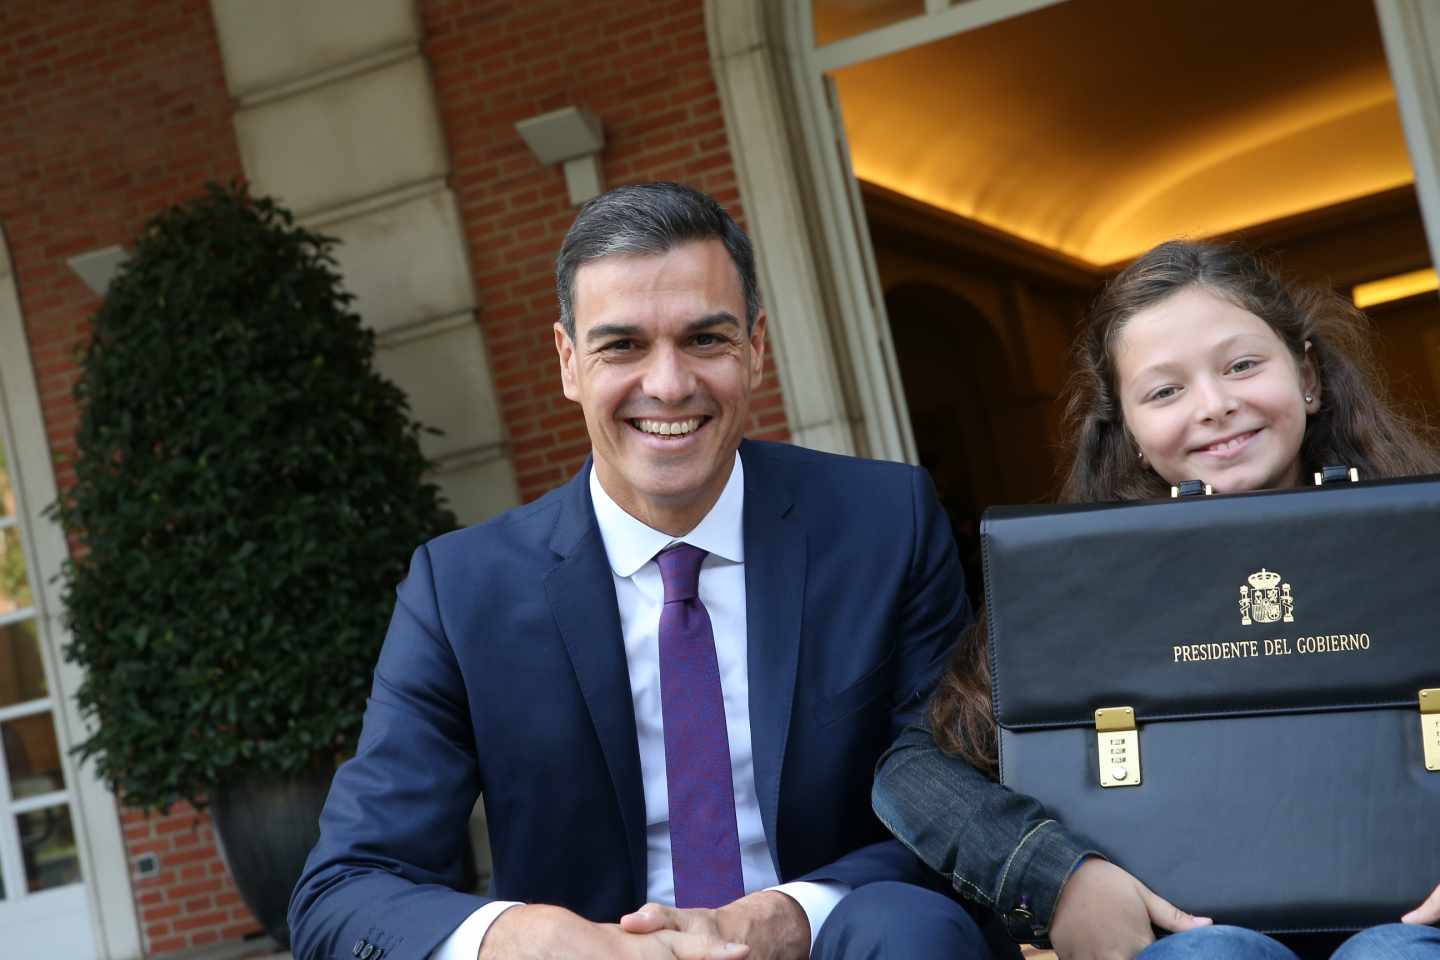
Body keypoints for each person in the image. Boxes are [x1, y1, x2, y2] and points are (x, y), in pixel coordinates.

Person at [288, 181, 996, 960]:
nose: (668, 385)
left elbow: (958, 798)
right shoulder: (460, 593)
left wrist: (785, 917)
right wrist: (529, 939)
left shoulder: (883, 525)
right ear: (568, 361)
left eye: (705, 340)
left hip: (836, 939)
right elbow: (344, 888)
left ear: (755, 348)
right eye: (622, 345)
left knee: (914, 930)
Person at [871, 239, 1440, 960]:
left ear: (1309, 378)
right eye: (1165, 391)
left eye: (1241, 365)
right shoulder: (1085, 582)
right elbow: (912, 771)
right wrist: (1058, 877)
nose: (1215, 405)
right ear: (1132, 432)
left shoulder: (1424, 536)